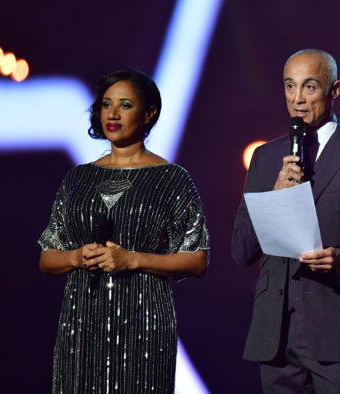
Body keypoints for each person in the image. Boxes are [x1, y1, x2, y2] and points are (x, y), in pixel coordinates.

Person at [232, 49, 340, 393]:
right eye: (289, 87)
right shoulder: (264, 157)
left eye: (309, 87)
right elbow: (242, 249)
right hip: (275, 335)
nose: (297, 99)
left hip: (336, 331)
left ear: (334, 90)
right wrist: (275, 194)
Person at [38, 69, 209, 393]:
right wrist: (75, 256)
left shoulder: (172, 178)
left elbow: (197, 260)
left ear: (149, 113)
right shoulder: (77, 178)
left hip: (144, 326)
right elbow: (47, 258)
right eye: (106, 104)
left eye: (125, 105)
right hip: (81, 324)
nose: (113, 114)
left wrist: (131, 260)